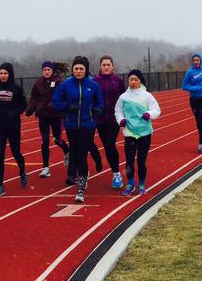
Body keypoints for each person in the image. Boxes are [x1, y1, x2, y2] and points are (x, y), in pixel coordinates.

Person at [52, 56, 104, 203]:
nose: (79, 71)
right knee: (74, 152)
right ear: (73, 70)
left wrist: (98, 110)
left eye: (81, 69)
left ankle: (81, 187)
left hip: (88, 125)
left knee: (82, 154)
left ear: (86, 70)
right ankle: (82, 175)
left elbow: (99, 101)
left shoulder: (93, 85)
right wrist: (67, 107)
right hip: (71, 124)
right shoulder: (65, 85)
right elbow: (56, 101)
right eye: (76, 69)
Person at [0, 62, 27, 196]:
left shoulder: (17, 89)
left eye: (5, 73)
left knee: (16, 152)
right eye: (1, 73)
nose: (3, 75)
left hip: (13, 125)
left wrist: (14, 113)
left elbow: (23, 106)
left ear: (10, 74)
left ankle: (22, 171)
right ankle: (0, 185)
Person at [115, 69, 161, 196]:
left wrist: (149, 114)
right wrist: (121, 120)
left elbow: (156, 110)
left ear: (140, 81)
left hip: (144, 133)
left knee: (141, 161)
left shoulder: (147, 96)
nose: (133, 82)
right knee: (129, 161)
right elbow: (118, 111)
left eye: (136, 79)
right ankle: (130, 183)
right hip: (129, 132)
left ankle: (141, 183)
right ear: (128, 81)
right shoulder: (123, 97)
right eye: (131, 79)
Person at [25, 60, 70, 178]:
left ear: (52, 71)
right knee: (44, 141)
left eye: (48, 70)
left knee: (57, 140)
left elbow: (62, 96)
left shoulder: (59, 82)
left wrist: (53, 104)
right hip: (43, 115)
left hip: (56, 115)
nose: (46, 72)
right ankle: (45, 167)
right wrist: (30, 109)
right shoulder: (38, 82)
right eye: (44, 70)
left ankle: (67, 152)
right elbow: (34, 97)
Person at [94, 55, 125, 189]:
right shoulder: (95, 81)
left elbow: (124, 97)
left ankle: (116, 174)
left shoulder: (118, 81)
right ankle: (115, 171)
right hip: (100, 119)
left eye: (108, 65)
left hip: (113, 118)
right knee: (107, 146)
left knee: (110, 144)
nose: (106, 67)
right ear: (100, 66)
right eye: (103, 65)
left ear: (112, 66)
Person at [181, 52, 202, 152]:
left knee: (201, 119)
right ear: (192, 61)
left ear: (200, 60)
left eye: (197, 60)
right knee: (198, 121)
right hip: (194, 99)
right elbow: (184, 86)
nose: (196, 62)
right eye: (194, 60)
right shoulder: (190, 72)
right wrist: (195, 88)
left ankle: (201, 142)